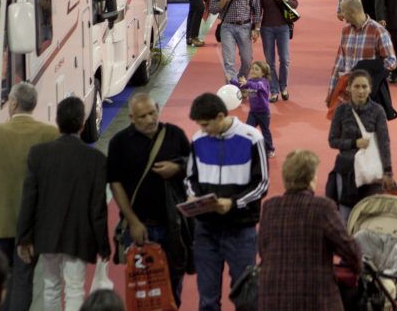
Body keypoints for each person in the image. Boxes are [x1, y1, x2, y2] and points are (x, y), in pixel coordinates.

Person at [0, 83, 58, 311]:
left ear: (14, 103)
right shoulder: (50, 134)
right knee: (24, 276)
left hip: (1, 221)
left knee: (4, 275)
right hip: (35, 224)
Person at [16, 97, 110, 311]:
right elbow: (98, 207)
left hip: (48, 232)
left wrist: (24, 237)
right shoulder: (96, 159)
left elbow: (29, 199)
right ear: (83, 123)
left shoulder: (38, 154)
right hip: (79, 235)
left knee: (51, 286)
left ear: (57, 121)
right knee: (75, 288)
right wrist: (103, 245)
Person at [107, 92, 192, 307]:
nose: (149, 119)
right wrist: (133, 221)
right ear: (132, 118)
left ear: (157, 109)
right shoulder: (119, 143)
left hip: (173, 226)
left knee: (174, 281)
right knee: (143, 287)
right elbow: (115, 183)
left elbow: (193, 165)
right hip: (139, 227)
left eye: (152, 113)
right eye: (142, 116)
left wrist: (177, 168)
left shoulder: (175, 135)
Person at [186, 92, 269, 311]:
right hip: (205, 230)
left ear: (220, 117)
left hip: (241, 231)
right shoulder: (198, 140)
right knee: (207, 300)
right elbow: (190, 178)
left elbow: (262, 184)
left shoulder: (253, 138)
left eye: (206, 125)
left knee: (246, 298)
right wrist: (193, 196)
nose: (203, 130)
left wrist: (233, 203)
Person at [258, 149, 363, 311]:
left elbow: (263, 250)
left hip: (272, 298)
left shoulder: (269, 207)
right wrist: (358, 269)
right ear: (311, 178)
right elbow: (349, 250)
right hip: (315, 299)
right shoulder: (323, 207)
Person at [327, 70, 395, 219]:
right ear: (349, 88)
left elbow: (384, 142)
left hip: (371, 174)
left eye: (364, 87)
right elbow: (332, 141)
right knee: (345, 218)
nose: (360, 91)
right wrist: (353, 143)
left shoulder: (378, 111)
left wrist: (388, 171)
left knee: (369, 219)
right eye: (356, 86)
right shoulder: (341, 111)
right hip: (346, 172)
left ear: (370, 88)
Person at [327, 0, 397, 109]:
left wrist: (367, 68)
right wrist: (331, 93)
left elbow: (391, 61)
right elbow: (339, 64)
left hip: (369, 97)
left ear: (353, 12)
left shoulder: (378, 31)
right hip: (347, 96)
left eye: (343, 12)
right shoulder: (345, 31)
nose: (341, 15)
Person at [209, 0, 262, 83]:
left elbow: (256, 6)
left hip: (245, 27)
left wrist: (257, 28)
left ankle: (240, 80)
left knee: (247, 61)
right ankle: (232, 89)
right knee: (229, 63)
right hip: (227, 27)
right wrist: (224, 0)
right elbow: (212, 9)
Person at [256, 0, 297, 101]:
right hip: (266, 29)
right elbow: (258, 11)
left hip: (283, 28)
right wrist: (256, 27)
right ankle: (274, 90)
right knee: (270, 62)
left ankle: (283, 87)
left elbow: (295, 4)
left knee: (285, 59)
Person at [239, 61, 275, 157]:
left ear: (263, 73)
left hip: (263, 113)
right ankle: (247, 148)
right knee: (248, 129)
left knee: (265, 131)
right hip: (253, 113)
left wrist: (247, 83)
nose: (253, 71)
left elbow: (258, 86)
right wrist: (231, 80)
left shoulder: (264, 82)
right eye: (252, 68)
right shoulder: (250, 80)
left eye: (257, 69)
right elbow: (241, 84)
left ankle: (270, 149)